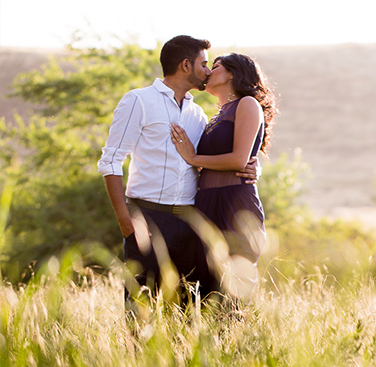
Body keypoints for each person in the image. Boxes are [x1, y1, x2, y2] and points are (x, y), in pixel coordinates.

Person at [97, 35, 257, 309]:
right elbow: (111, 160)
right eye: (204, 64)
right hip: (145, 219)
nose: (207, 71)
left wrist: (251, 168)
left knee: (184, 313)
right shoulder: (138, 100)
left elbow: (206, 161)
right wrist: (124, 219)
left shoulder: (198, 115)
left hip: (189, 223)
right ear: (186, 65)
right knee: (140, 308)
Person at [169, 53, 277, 299]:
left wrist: (193, 158)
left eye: (214, 67)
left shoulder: (246, 104)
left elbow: (239, 159)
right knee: (205, 285)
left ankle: (237, 336)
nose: (207, 72)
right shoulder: (217, 115)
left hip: (233, 203)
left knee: (232, 287)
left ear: (231, 73)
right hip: (206, 203)